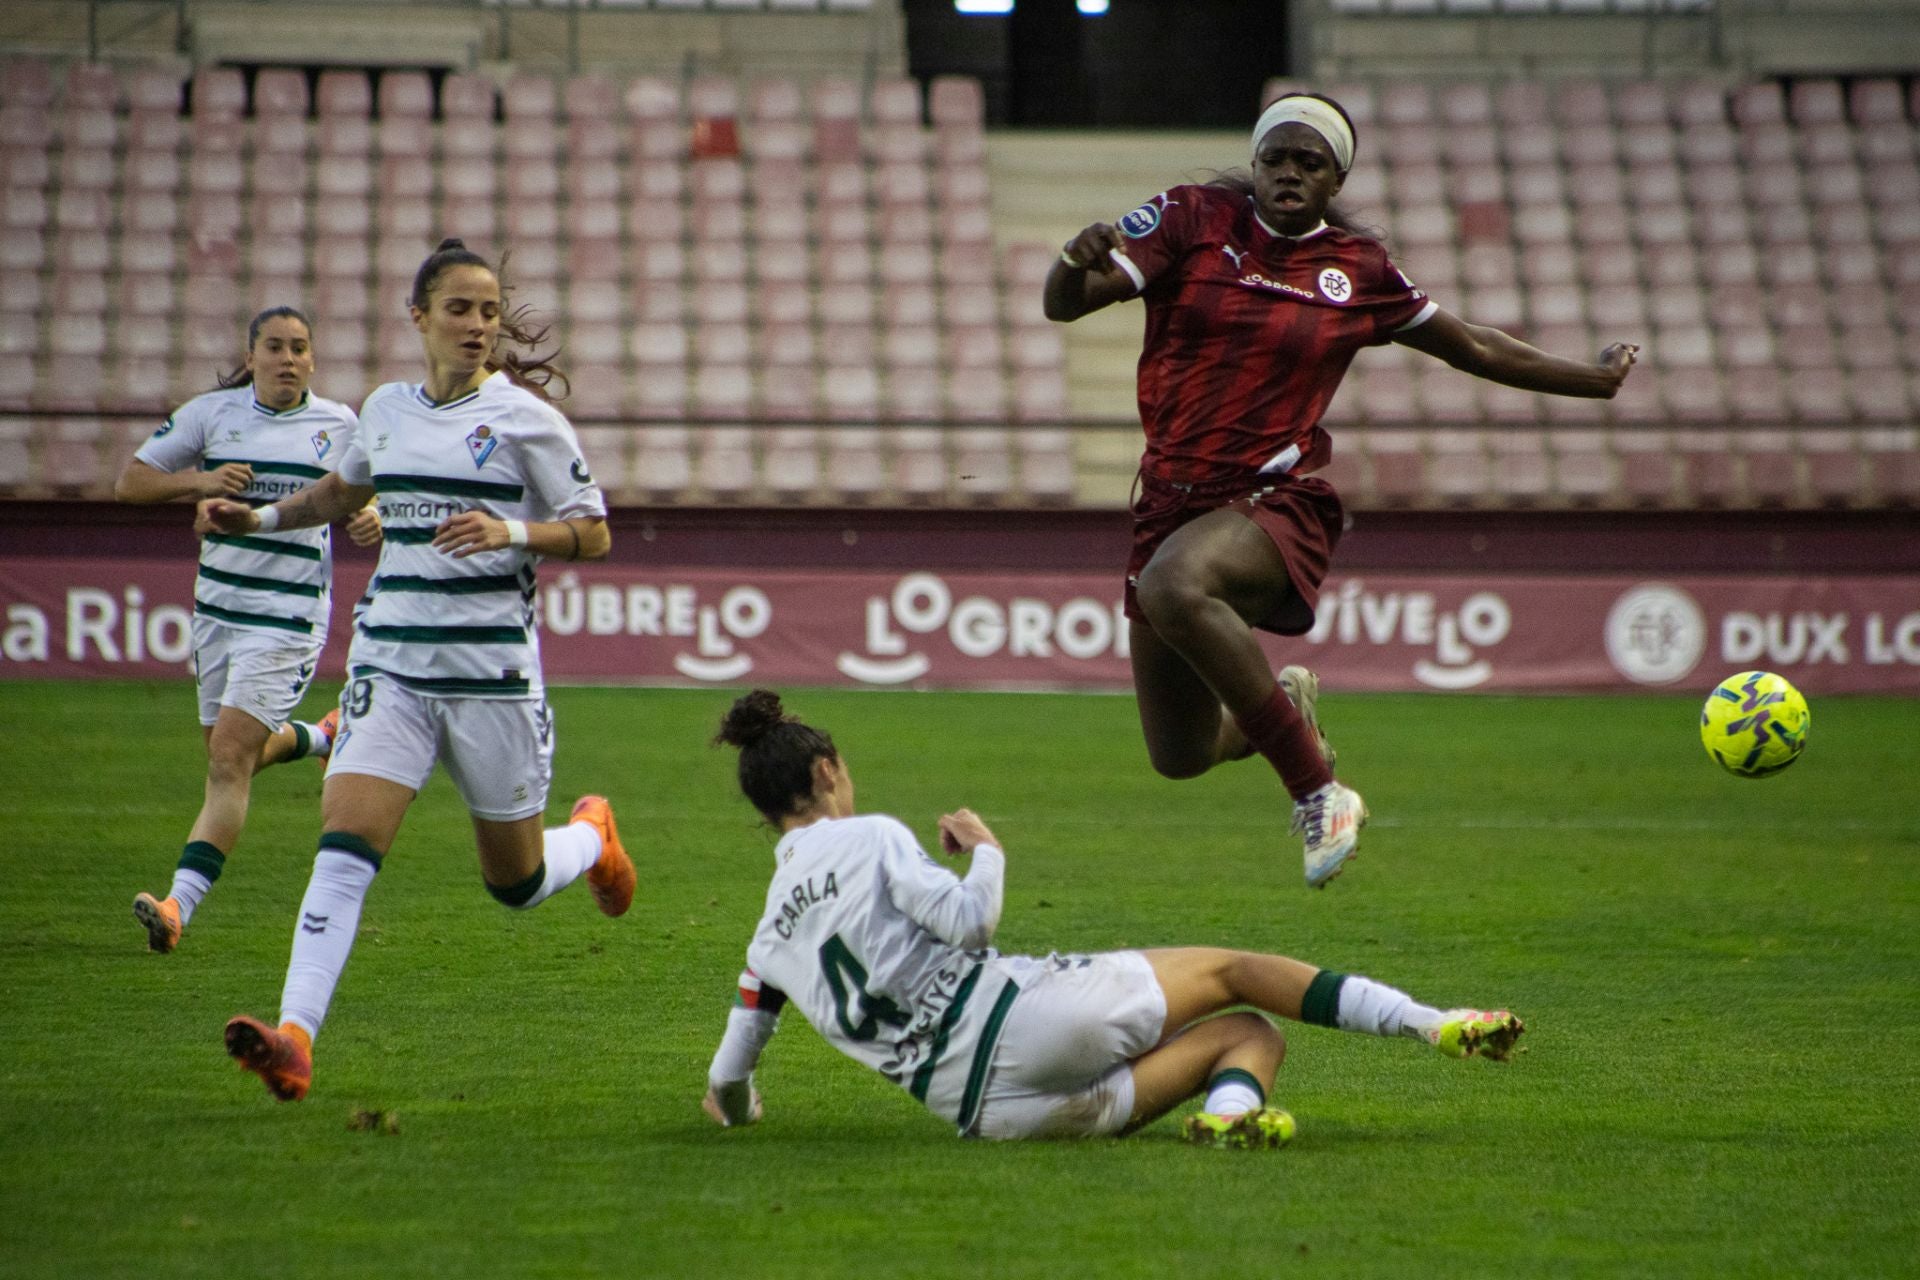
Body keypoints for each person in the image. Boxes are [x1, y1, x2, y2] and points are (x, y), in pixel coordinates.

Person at [1043, 93, 1640, 889]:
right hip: (1166, 503)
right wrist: (1069, 261)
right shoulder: (1194, 219)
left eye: (1309, 162)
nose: (1289, 173)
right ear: (1254, 167)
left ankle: (1320, 795)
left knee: (1173, 586)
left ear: (1336, 180)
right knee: (1179, 756)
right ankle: (1287, 719)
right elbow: (1064, 306)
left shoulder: (1358, 271)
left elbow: (1473, 346)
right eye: (1275, 159)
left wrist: (1595, 381)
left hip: (1271, 501)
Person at [197, 239, 635, 1102]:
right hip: (390, 664)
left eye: (488, 310)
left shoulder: (526, 422)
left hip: (491, 678)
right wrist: (256, 520)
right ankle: (294, 1039)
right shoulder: (387, 410)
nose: (478, 324)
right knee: (344, 848)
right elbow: (339, 495)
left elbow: (595, 530)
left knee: (514, 885)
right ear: (419, 317)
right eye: (461, 308)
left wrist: (510, 530)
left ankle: (593, 839)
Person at [701, 690, 1524, 1146]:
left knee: (1251, 1039)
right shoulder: (866, 837)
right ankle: (1433, 1023)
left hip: (990, 1114)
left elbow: (728, 1079)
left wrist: (741, 1114)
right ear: (826, 770)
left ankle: (1230, 1121)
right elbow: (971, 924)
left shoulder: (767, 941)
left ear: (763, 812)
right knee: (1235, 971)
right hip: (1024, 1023)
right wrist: (986, 848)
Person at [113, 306, 381, 954]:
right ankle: (322, 736)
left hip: (288, 615)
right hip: (219, 611)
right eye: (275, 347)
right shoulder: (214, 414)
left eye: (299, 348)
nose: (288, 358)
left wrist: (370, 517)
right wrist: (199, 480)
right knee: (229, 757)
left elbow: (363, 494)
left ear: (313, 360)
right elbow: (130, 483)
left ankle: (178, 904)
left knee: (229, 758)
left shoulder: (339, 424)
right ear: (253, 354)